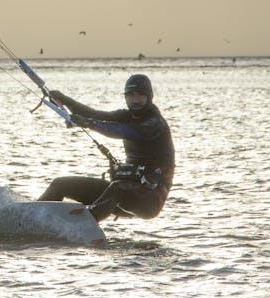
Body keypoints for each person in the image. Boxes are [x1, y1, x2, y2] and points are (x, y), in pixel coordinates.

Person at [38, 74, 175, 221]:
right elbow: (94, 114)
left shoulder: (154, 123)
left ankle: (82, 224)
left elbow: (124, 131)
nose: (135, 100)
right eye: (130, 95)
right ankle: (33, 217)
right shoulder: (126, 116)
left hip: (149, 200)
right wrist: (63, 99)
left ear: (150, 97)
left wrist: (89, 123)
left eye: (141, 95)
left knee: (117, 187)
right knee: (60, 184)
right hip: (122, 192)